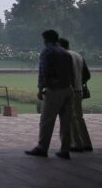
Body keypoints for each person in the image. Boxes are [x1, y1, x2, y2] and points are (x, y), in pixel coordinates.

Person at [26, 30, 74, 159]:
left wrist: (40, 89)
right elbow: (71, 73)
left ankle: (42, 147)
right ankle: (65, 149)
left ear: (46, 39)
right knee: (66, 121)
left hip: (54, 89)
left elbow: (44, 72)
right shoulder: (65, 53)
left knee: (46, 120)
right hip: (68, 89)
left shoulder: (48, 51)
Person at [59, 38, 93, 152]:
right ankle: (86, 143)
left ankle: (77, 144)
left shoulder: (64, 56)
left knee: (70, 118)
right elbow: (87, 75)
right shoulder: (78, 56)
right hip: (79, 90)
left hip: (69, 90)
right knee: (79, 117)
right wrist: (79, 82)